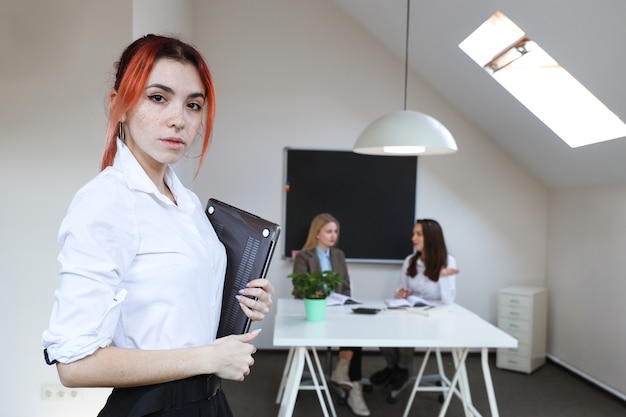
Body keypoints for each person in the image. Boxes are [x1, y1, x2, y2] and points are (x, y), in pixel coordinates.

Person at [41, 34, 275, 417]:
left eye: (193, 105)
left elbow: (174, 310)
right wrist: (207, 358)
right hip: (156, 408)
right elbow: (74, 364)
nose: (179, 120)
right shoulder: (107, 201)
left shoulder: (185, 200)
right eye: (158, 98)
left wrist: (243, 301)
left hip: (209, 401)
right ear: (119, 105)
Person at [292, 213, 370, 416]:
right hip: (315, 310)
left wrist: (344, 302)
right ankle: (343, 374)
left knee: (355, 332)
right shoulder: (304, 256)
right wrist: (315, 293)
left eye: (336, 231)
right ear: (317, 233)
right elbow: (299, 288)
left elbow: (345, 286)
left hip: (338, 309)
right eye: (329, 231)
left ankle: (350, 380)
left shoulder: (338, 255)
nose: (333, 235)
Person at [369, 218, 459, 391]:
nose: (413, 238)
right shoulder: (410, 260)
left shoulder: (448, 261)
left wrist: (442, 276)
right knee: (382, 323)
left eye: (419, 234)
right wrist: (401, 293)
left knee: (405, 328)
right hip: (411, 310)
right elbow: (399, 290)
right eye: (413, 234)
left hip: (434, 316)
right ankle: (392, 367)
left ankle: (401, 369)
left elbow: (448, 300)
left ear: (431, 238)